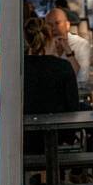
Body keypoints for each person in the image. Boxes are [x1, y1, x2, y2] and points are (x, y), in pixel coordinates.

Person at [23, 17, 81, 155]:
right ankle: (77, 172)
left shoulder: (19, 68)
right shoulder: (62, 67)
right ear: (50, 37)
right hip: (58, 134)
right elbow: (73, 105)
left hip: (25, 135)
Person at [45, 6, 90, 93]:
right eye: (49, 25)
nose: (53, 28)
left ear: (67, 25)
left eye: (57, 23)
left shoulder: (81, 44)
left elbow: (81, 78)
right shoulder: (43, 44)